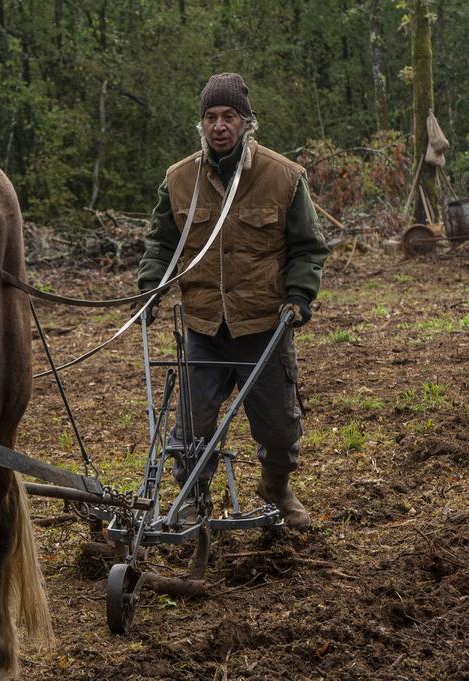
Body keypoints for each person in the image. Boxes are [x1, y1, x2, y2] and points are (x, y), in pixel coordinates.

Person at [136, 73, 329, 529]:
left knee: (280, 429)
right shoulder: (179, 180)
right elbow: (160, 244)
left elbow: (308, 247)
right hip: (204, 328)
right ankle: (190, 496)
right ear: (200, 123)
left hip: (264, 327)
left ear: (246, 123)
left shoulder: (284, 177)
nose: (219, 125)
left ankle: (276, 489)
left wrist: (299, 297)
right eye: (210, 117)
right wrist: (151, 288)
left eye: (229, 117)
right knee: (190, 429)